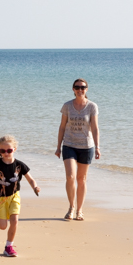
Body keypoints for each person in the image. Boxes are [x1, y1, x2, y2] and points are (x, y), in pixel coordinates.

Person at [55, 79, 100, 221]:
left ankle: (80, 211)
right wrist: (58, 147)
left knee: (81, 179)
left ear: (87, 89)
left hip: (86, 147)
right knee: (70, 177)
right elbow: (62, 126)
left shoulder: (92, 106)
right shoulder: (67, 106)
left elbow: (95, 128)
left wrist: (98, 147)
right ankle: (71, 207)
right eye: (77, 87)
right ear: (73, 89)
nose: (80, 90)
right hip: (69, 144)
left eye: (83, 87)